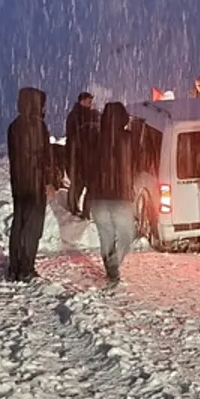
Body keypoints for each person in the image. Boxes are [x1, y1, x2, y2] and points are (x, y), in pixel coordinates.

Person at [6, 87, 55, 282]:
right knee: (32, 227)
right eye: (42, 104)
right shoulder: (38, 126)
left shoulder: (14, 126)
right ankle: (26, 268)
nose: (44, 108)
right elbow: (45, 156)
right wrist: (49, 181)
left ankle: (15, 267)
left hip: (19, 182)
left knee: (18, 223)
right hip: (35, 182)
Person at [88, 102, 136, 289]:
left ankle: (111, 269)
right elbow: (136, 163)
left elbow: (89, 166)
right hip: (121, 195)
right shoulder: (128, 139)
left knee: (106, 235)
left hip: (99, 196)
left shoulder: (95, 139)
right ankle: (115, 262)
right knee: (126, 235)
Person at [64, 91, 100, 218]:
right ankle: (73, 209)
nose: (91, 103)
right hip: (78, 156)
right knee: (78, 183)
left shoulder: (92, 115)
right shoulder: (75, 116)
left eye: (91, 100)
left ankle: (85, 212)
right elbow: (72, 138)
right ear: (82, 101)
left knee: (89, 185)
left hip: (89, 156)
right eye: (88, 100)